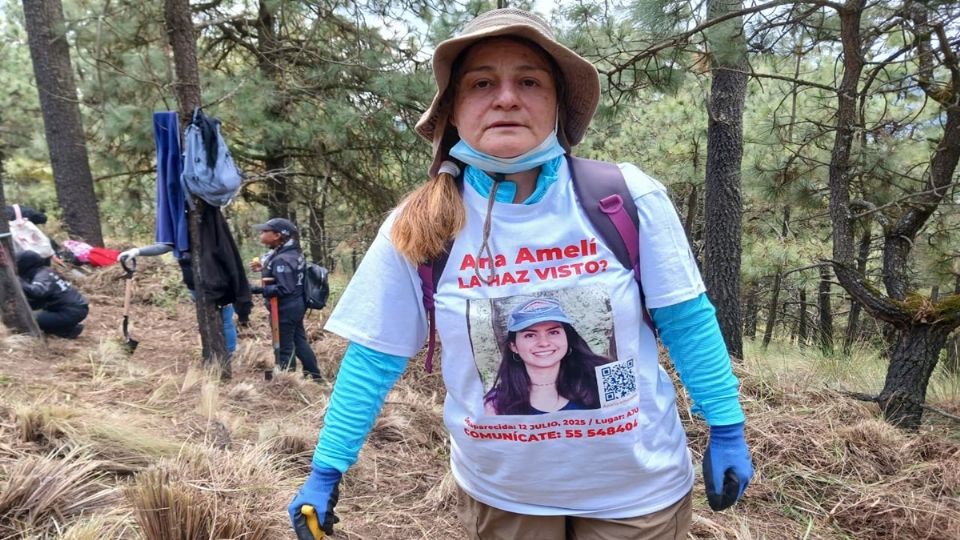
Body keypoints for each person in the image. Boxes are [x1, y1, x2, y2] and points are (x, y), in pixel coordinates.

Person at [289, 8, 753, 539]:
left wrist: (726, 425)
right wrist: (327, 469)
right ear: (454, 109)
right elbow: (374, 358)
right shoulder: (418, 227)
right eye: (482, 83)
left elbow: (686, 321)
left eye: (529, 81)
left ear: (557, 104)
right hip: (503, 498)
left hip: (636, 491)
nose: (506, 98)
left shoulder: (626, 198)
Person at [484, 297, 609, 415]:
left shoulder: (605, 380)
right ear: (513, 346)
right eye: (530, 335)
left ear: (568, 338)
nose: (544, 343)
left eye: (553, 332)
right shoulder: (495, 405)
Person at [118, 245, 244, 356]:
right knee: (216, 319)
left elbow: (165, 246)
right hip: (202, 282)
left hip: (210, 281)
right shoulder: (192, 235)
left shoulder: (197, 234)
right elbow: (164, 246)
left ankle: (225, 352)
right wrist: (137, 251)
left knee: (219, 318)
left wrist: (137, 251)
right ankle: (220, 352)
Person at [249, 218, 322, 380]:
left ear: (277, 235)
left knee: (284, 346)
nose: (261, 234)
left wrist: (255, 289)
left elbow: (284, 288)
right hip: (296, 305)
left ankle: (286, 380)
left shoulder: (283, 258)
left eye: (265, 231)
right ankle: (315, 376)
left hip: (286, 308)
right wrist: (265, 268)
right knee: (299, 341)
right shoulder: (290, 253)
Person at [16, 251, 88, 338]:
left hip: (70, 311)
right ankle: (66, 328)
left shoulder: (42, 275)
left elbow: (37, 292)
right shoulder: (46, 271)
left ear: (25, 264)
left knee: (28, 319)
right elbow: (40, 299)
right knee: (30, 313)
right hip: (75, 309)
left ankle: (66, 330)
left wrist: (18, 281)